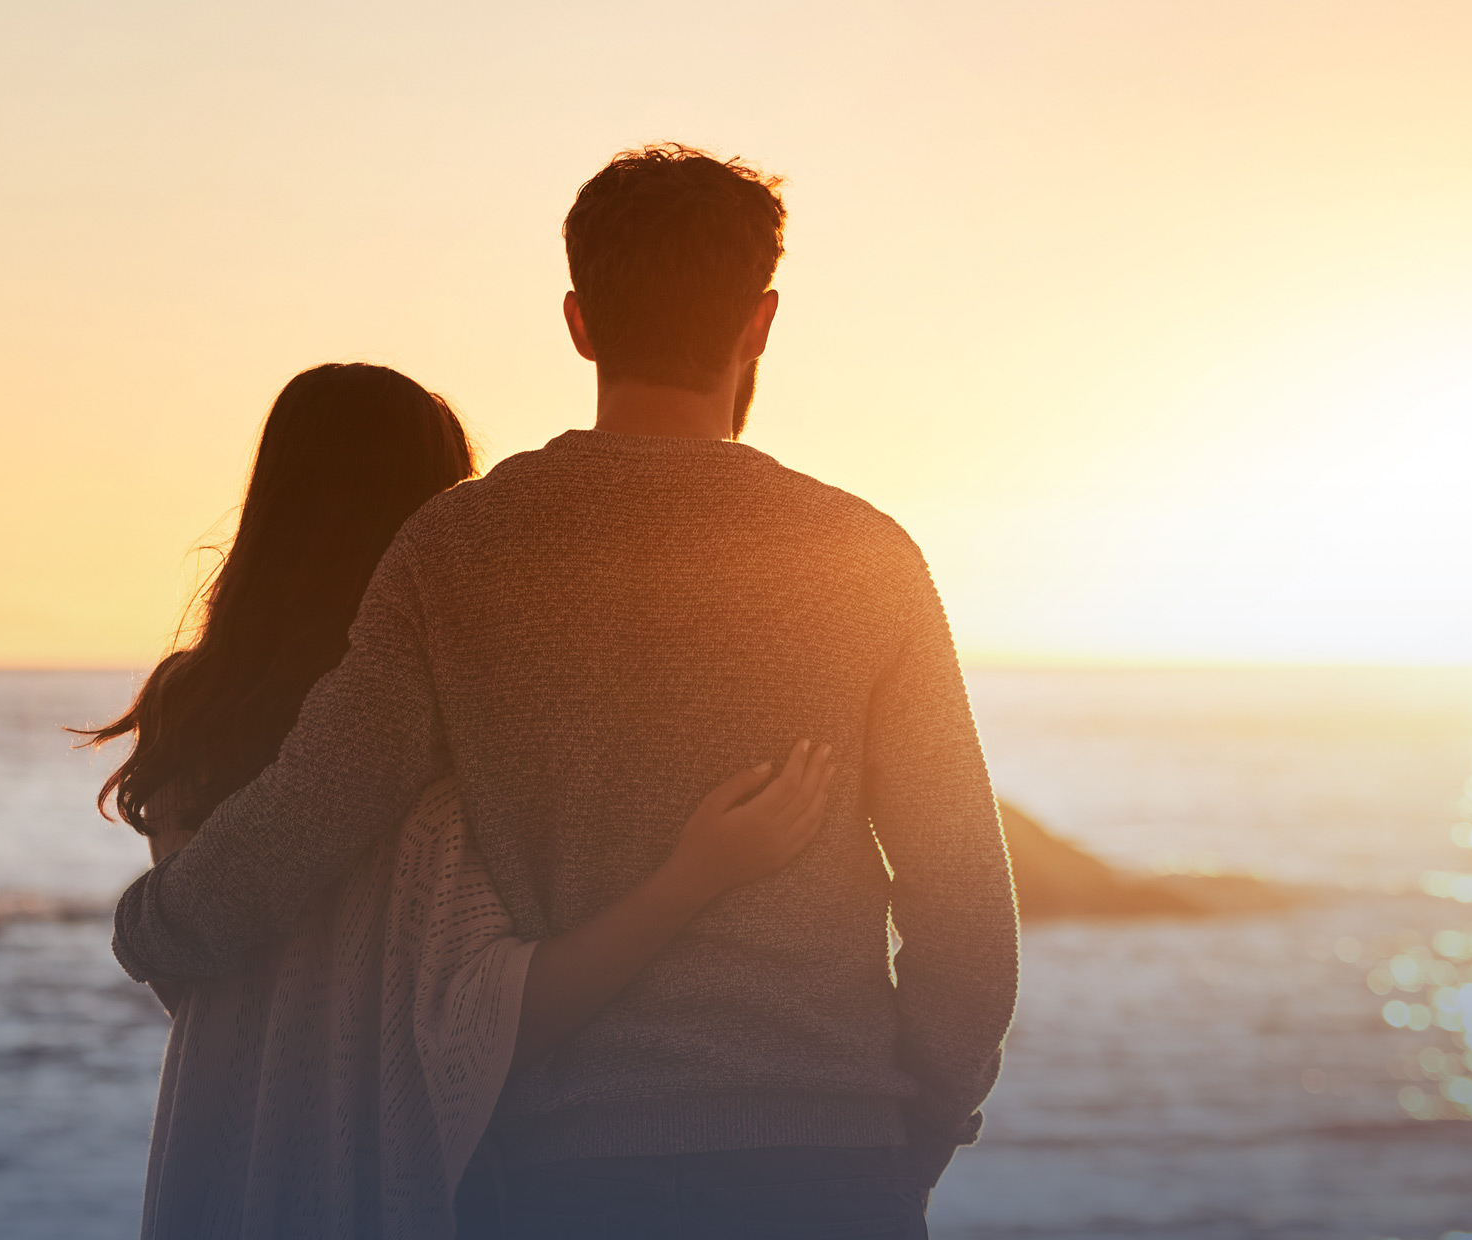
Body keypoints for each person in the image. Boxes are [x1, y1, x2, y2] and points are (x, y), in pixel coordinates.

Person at [112, 145, 1020, 1237]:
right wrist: (907, 1137)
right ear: (760, 321)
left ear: (579, 320)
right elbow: (965, 911)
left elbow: (317, 804)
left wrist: (160, 926)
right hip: (825, 1158)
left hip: (556, 1175)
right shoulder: (865, 558)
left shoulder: (455, 548)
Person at [83, 363, 836, 1238]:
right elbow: (501, 1025)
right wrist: (693, 877)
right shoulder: (462, 741)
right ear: (434, 518)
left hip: (219, 1178)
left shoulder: (195, 709)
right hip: (403, 1186)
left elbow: (192, 959)